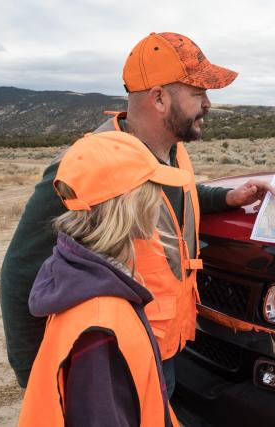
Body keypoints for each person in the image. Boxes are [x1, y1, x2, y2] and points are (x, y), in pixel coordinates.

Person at [0, 32, 275, 394]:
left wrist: (227, 199)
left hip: (163, 348)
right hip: (115, 363)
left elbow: (176, 195)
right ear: (159, 98)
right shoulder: (88, 168)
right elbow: (20, 275)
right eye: (198, 93)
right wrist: (37, 378)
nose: (208, 103)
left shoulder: (170, 150)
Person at [19, 133, 187, 426]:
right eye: (153, 189)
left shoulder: (78, 281)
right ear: (131, 205)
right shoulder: (100, 327)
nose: (159, 200)